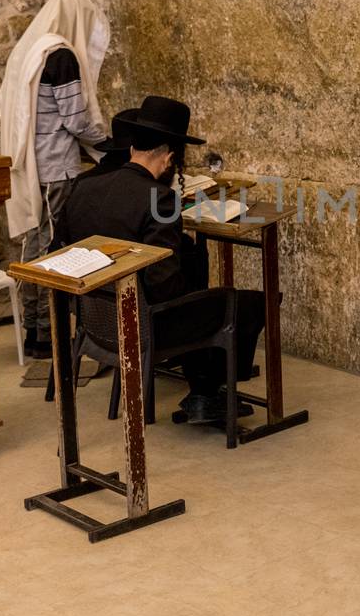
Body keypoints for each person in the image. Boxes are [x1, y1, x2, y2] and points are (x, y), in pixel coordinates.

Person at [58, 96, 265, 426]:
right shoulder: (160, 198)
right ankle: (207, 394)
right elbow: (163, 284)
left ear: (131, 149)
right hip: (142, 325)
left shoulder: (84, 188)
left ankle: (203, 388)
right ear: (169, 159)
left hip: (94, 321)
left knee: (199, 296)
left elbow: (63, 248)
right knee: (243, 303)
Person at [0, 0, 112, 359]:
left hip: (34, 164)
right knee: (51, 248)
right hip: (53, 167)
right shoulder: (60, 55)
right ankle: (48, 333)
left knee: (34, 243)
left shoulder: (33, 48)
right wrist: (109, 144)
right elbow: (75, 118)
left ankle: (35, 330)